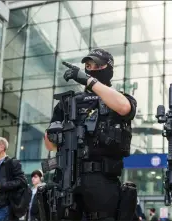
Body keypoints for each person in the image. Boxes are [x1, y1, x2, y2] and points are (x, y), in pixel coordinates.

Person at [44, 48, 137, 221]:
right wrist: (52, 134)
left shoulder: (118, 98)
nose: (91, 69)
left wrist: (87, 79)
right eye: (88, 66)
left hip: (102, 179)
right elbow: (50, 146)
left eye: (97, 66)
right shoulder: (68, 103)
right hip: (68, 177)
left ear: (108, 68)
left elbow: (125, 108)